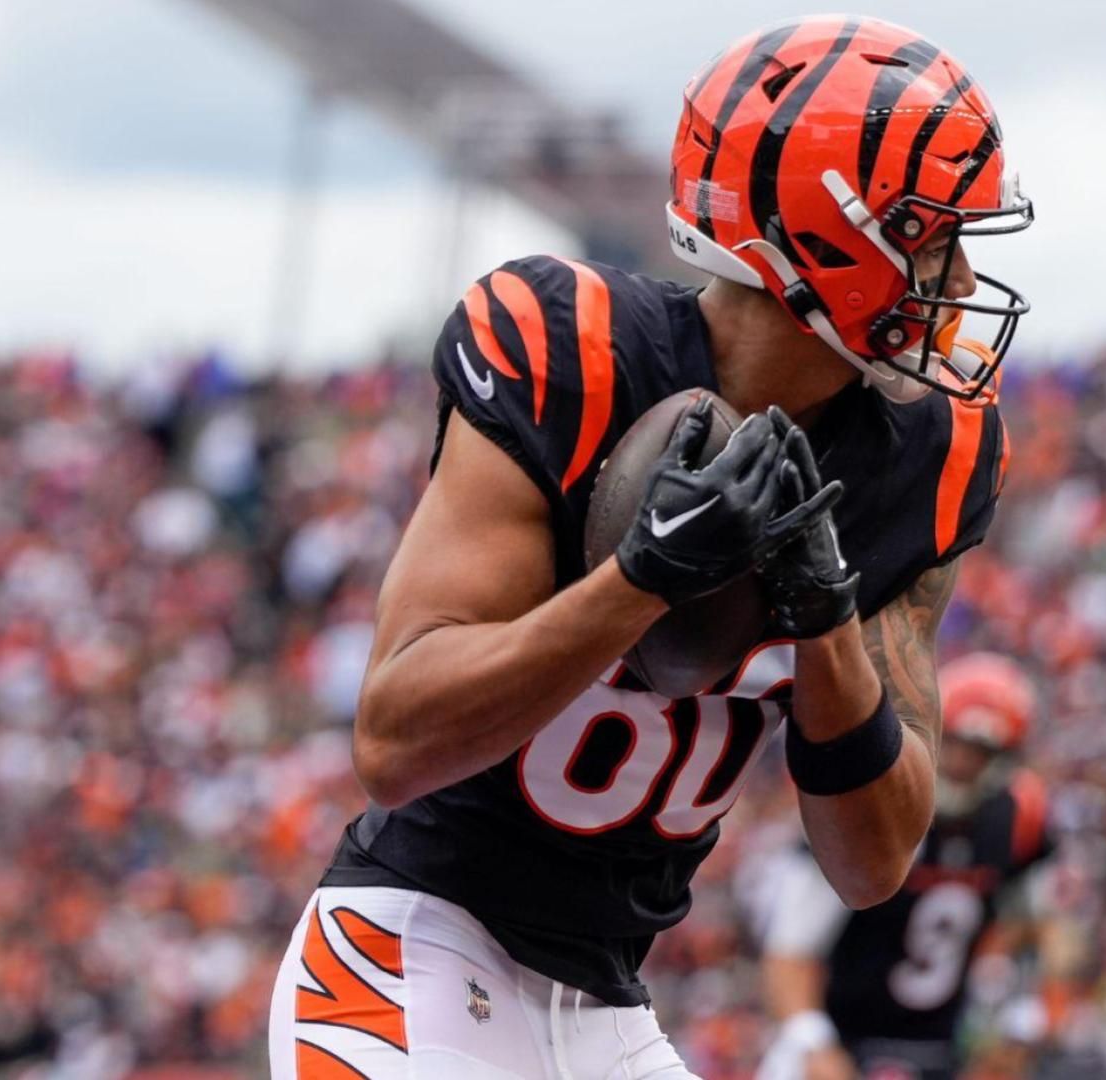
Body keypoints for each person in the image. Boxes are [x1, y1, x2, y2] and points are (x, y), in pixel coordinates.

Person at [269, 15, 1034, 1078]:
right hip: (414, 953)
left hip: (608, 1006)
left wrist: (829, 618)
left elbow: (874, 861)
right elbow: (397, 742)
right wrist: (639, 581)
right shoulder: (569, 352)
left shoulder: (930, 455)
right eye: (931, 232)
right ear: (831, 236)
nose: (955, 273)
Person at [756, 654, 1053, 1080]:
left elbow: (1035, 932)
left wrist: (1014, 1027)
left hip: (945, 1046)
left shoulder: (1017, 819)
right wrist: (813, 1043)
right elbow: (790, 950)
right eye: (954, 744)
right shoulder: (875, 807)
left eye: (980, 752)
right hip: (838, 1034)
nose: (962, 764)